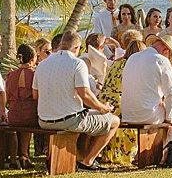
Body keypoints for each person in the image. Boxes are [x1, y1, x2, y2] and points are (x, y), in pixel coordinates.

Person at [35, 30, 118, 168]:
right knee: (114, 121)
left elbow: (35, 94)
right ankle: (88, 161)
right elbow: (85, 95)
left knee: (87, 116)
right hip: (68, 120)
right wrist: (103, 108)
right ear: (76, 48)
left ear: (61, 44)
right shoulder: (77, 63)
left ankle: (80, 156)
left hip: (43, 120)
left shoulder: (43, 64)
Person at [120, 35, 172, 139]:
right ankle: (170, 149)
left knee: (165, 109)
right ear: (166, 51)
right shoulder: (161, 60)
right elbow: (171, 93)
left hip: (127, 114)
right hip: (148, 114)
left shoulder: (132, 57)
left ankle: (165, 148)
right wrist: (169, 118)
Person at [2, 44, 40, 165]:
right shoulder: (35, 74)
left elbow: (7, 97)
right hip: (31, 116)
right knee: (28, 119)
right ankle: (23, 155)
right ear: (33, 59)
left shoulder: (11, 75)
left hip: (14, 116)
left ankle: (19, 156)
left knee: (22, 120)